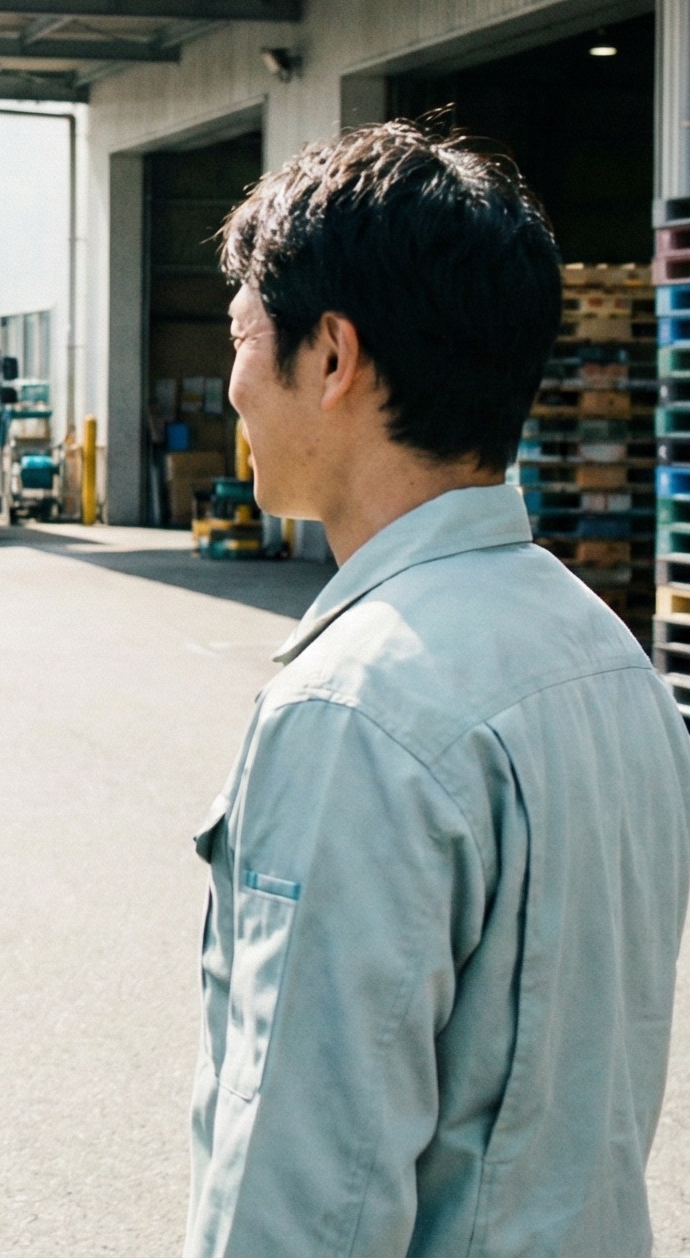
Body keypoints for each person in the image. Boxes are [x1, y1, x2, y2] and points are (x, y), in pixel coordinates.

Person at [187, 119, 690, 1257]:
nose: (229, 389)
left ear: (329, 358)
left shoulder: (356, 710)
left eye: (240, 339)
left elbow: (308, 1185)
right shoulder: (607, 660)